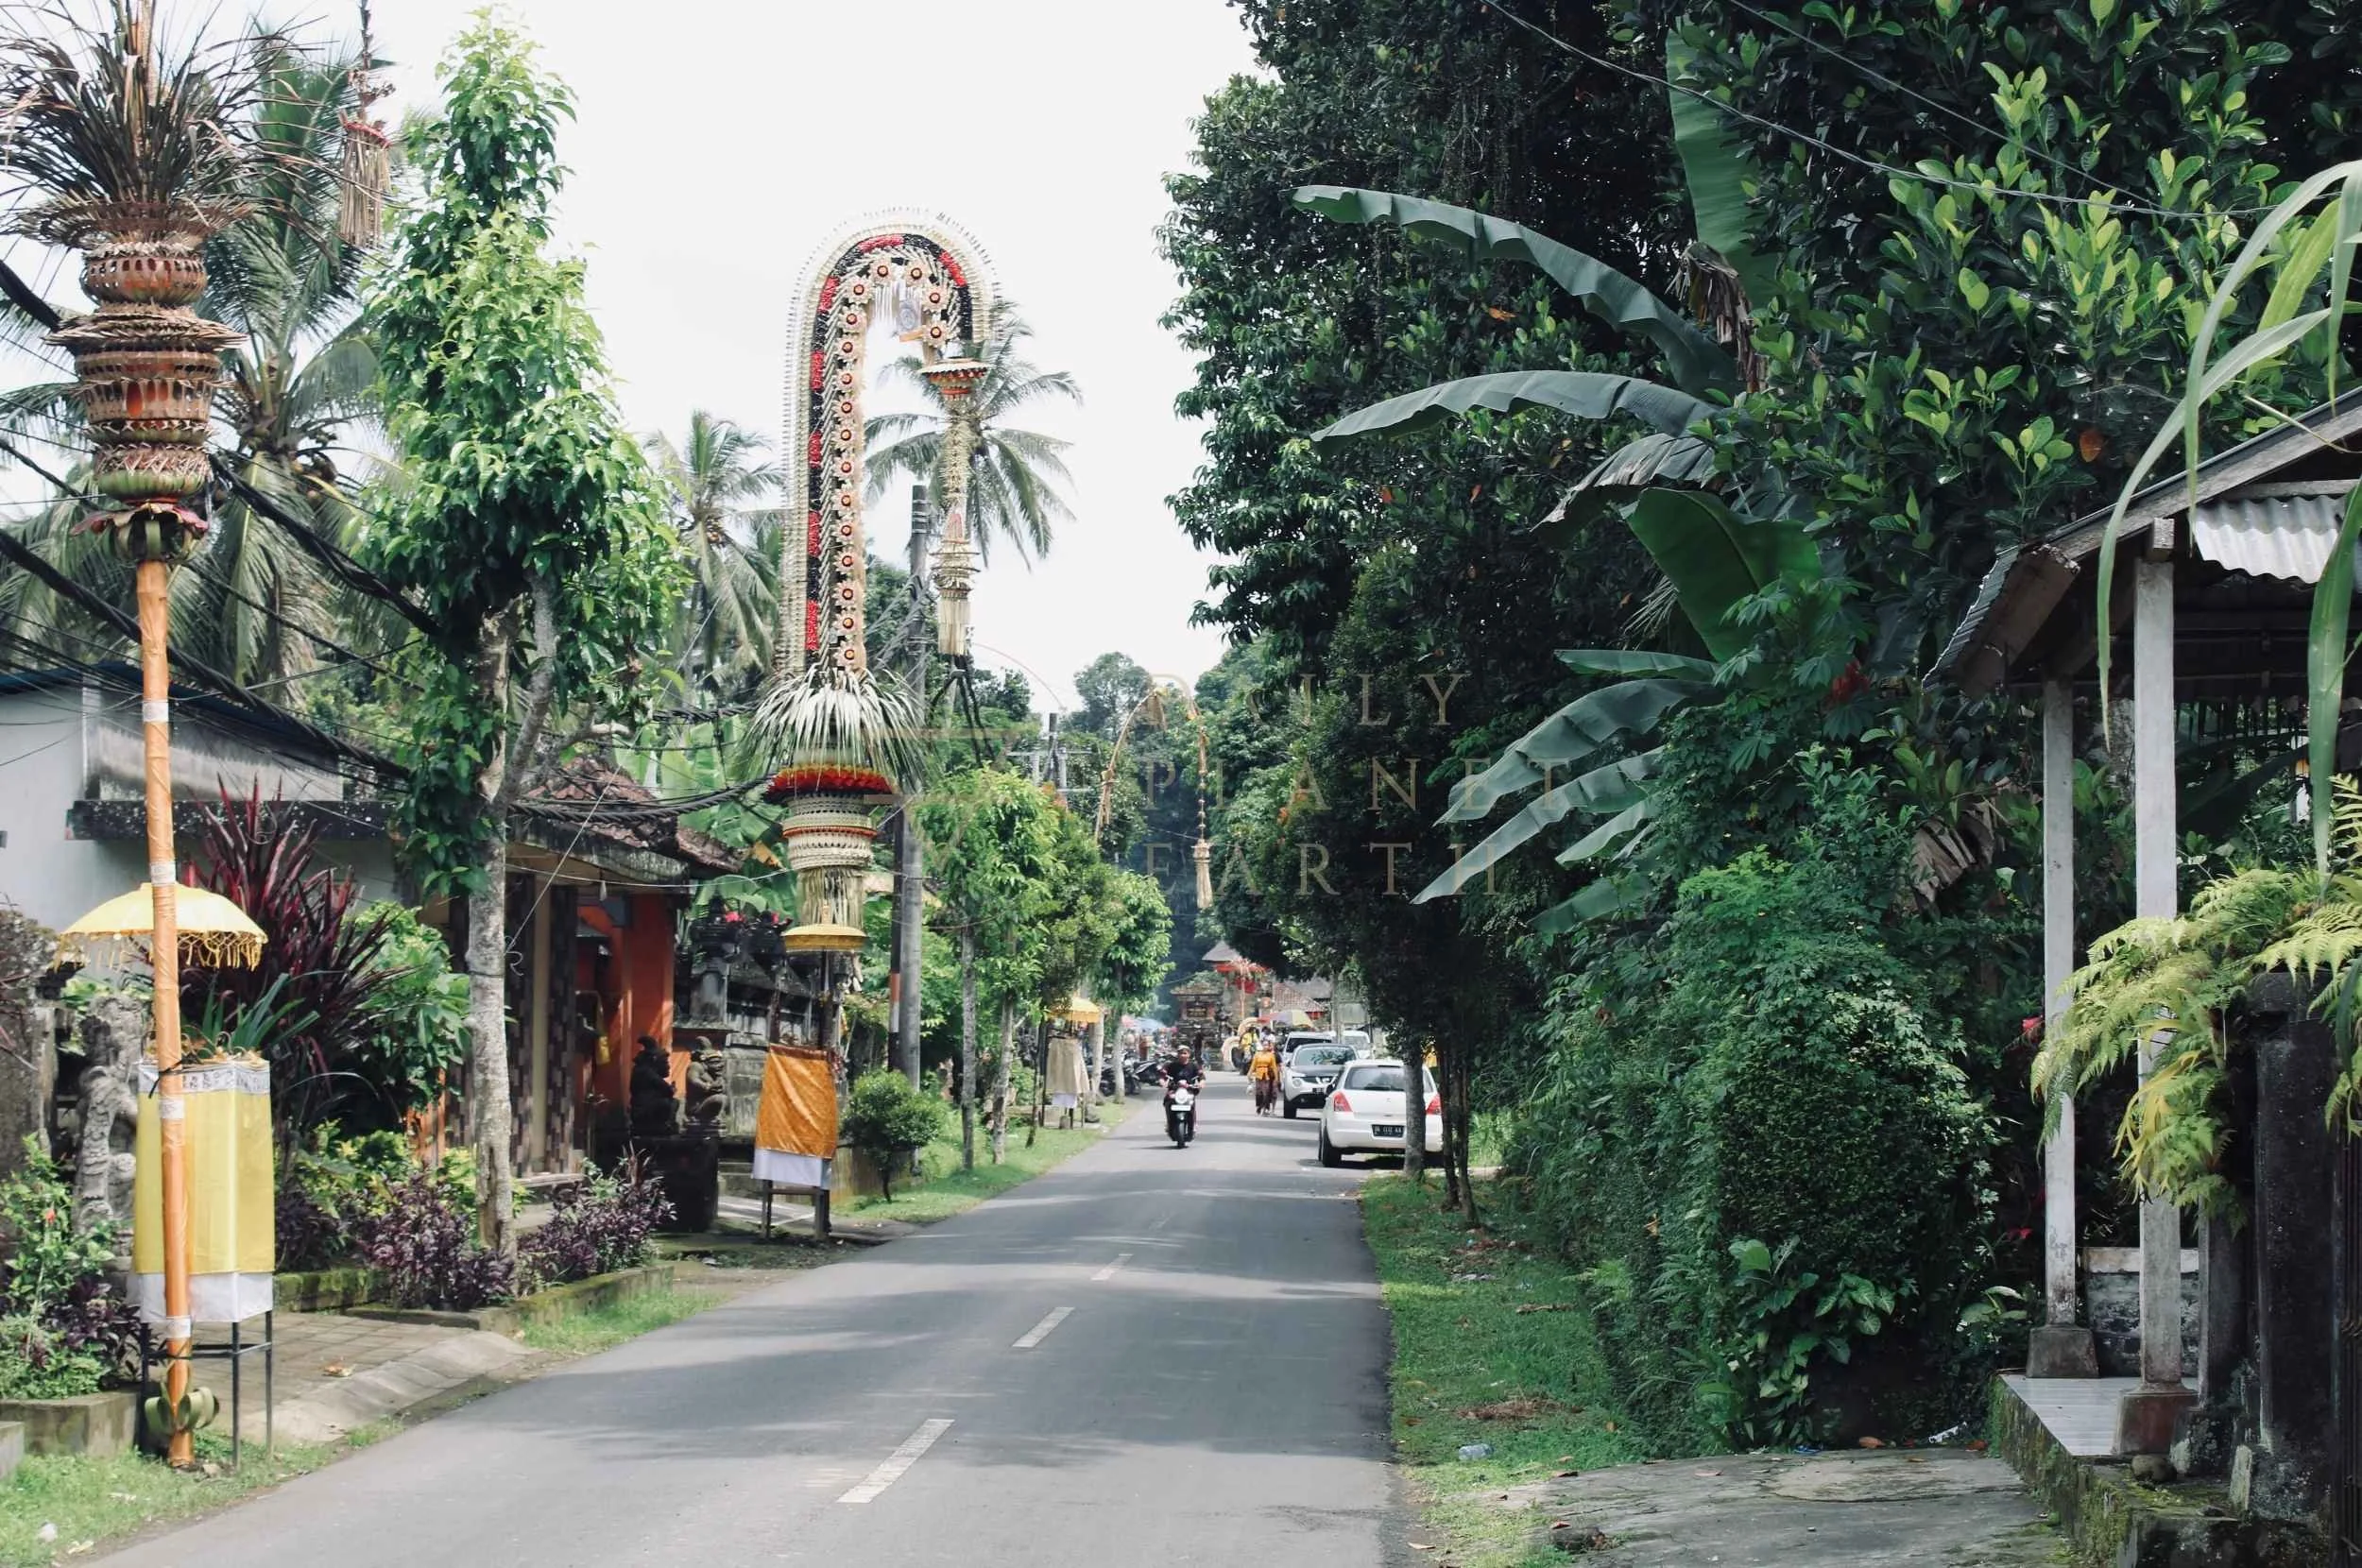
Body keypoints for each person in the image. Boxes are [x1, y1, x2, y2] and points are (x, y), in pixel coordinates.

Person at [1161, 1046, 1204, 1141]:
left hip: (1188, 1091)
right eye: (1180, 1053)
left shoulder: (1194, 1066)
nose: (1182, 1055)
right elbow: (1163, 1076)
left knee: (1192, 1104)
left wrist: (1201, 1083)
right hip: (1174, 1090)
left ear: (1189, 1054)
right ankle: (1169, 1123)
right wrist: (1162, 1082)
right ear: (1177, 1054)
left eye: (1185, 1053)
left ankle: (1193, 1125)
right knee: (1167, 1101)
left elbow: (1201, 1077)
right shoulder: (1172, 1066)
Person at [1247, 1036, 1280, 1114]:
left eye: (1267, 1045)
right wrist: (1249, 1074)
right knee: (1259, 1093)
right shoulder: (1257, 1055)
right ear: (1262, 1045)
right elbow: (1253, 1065)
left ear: (1269, 1046)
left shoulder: (1271, 1055)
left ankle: (1265, 1108)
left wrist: (1276, 1078)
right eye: (1264, 1045)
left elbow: (1274, 1067)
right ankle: (1259, 1106)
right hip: (1258, 1074)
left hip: (1266, 1075)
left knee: (1266, 1092)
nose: (1265, 1046)